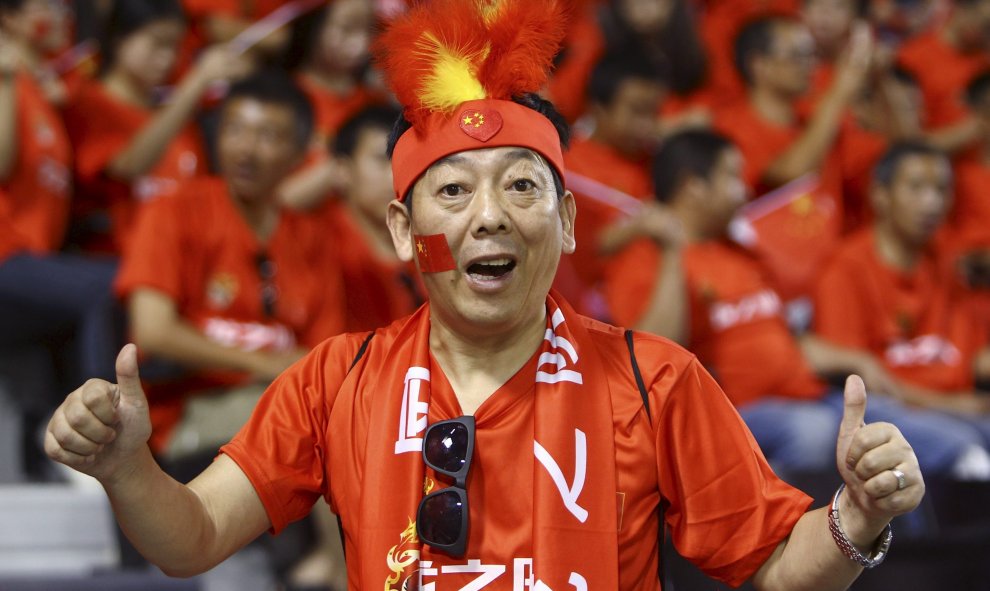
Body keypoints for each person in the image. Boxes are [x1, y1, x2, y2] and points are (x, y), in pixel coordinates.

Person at [45, 1, 924, 589]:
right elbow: (192, 536)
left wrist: (856, 514)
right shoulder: (334, 379)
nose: (490, 217)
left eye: (522, 187)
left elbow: (773, 561)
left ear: (569, 219)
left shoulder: (655, 378)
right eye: (454, 192)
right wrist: (128, 467)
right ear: (402, 231)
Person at [604, 129, 988, 482]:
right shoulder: (644, 258)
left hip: (810, 396)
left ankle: (916, 541)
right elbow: (652, 350)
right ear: (693, 187)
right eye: (733, 178)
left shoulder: (742, 254)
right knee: (817, 433)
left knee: (913, 432)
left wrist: (855, 360)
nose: (745, 190)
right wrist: (673, 253)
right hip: (735, 411)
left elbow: (786, 338)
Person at [814, 141, 990, 447]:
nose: (932, 203)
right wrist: (950, 405)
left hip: (961, 407)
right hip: (892, 412)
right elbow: (861, 386)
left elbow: (974, 357)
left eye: (941, 189)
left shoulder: (950, 261)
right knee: (965, 447)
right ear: (880, 195)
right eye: (917, 188)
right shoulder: (845, 269)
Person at [63, 0, 250, 254]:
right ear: (120, 37)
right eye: (157, 43)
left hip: (180, 261)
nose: (167, 57)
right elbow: (127, 167)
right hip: (114, 259)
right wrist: (196, 83)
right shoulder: (89, 100)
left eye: (175, 47)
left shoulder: (180, 120)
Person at [324, 103, 421, 333]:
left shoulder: (428, 239)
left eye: (403, 160)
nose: (395, 175)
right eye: (381, 160)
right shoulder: (316, 243)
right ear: (342, 170)